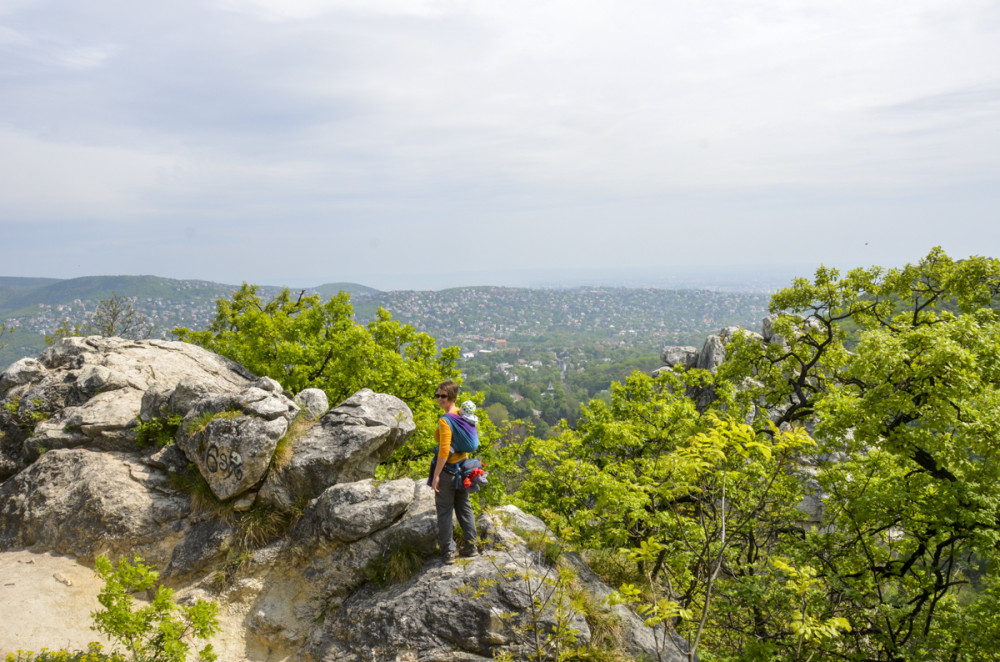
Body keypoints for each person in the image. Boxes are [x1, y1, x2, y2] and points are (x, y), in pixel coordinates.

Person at [429, 380, 479, 564]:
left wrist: (436, 476)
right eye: (438, 395)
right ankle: (471, 546)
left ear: (451, 397)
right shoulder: (465, 415)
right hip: (465, 469)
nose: (439, 399)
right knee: (464, 508)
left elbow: (443, 451)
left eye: (443, 396)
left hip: (448, 472)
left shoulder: (446, 420)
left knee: (444, 511)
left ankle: (449, 552)